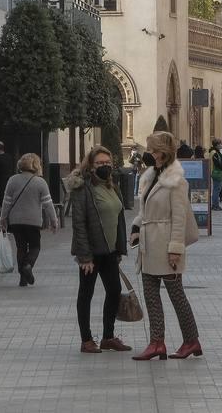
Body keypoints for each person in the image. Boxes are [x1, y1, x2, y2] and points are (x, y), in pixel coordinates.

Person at [130, 131, 202, 361]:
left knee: (176, 295)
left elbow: (179, 217)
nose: (148, 154)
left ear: (163, 153)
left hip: (166, 245)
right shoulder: (151, 176)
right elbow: (146, 210)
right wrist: (135, 227)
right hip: (149, 245)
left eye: (152, 150)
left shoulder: (176, 181)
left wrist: (175, 249)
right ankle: (156, 342)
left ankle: (191, 341)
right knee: (151, 296)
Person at [66, 145, 132, 354]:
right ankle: (86, 340)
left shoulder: (112, 186)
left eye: (107, 163)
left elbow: (118, 218)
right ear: (90, 166)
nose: (104, 166)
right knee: (86, 294)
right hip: (91, 253)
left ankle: (108, 337)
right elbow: (79, 223)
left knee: (114, 291)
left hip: (110, 251)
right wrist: (84, 256)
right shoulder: (82, 188)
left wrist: (120, 248)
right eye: (99, 163)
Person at [0, 153, 58, 287]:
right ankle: (28, 265)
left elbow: (6, 202)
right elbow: (48, 203)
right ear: (36, 165)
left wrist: (3, 218)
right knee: (35, 246)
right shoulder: (40, 182)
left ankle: (22, 279)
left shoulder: (12, 180)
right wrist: (54, 221)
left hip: (16, 221)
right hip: (33, 221)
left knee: (21, 247)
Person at [0, 141, 16, 231]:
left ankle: (4, 226)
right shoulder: (9, 158)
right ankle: (11, 226)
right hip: (9, 184)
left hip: (0, 186)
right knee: (10, 206)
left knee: (2, 206)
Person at [210, 138, 222, 211]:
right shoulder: (215, 153)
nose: (221, 145)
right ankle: (215, 205)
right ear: (216, 145)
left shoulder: (214, 152)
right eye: (220, 144)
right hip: (217, 173)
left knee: (216, 189)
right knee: (216, 190)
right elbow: (218, 164)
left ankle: (215, 205)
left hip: (216, 172)